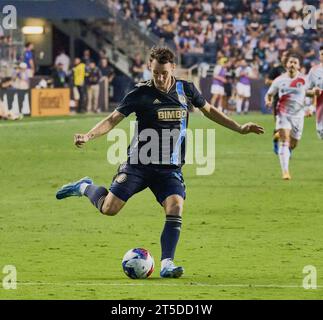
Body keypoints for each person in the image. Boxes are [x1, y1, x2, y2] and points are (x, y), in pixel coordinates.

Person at [56, 47, 264, 278]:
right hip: (139, 164)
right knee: (109, 209)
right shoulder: (139, 93)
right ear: (149, 68)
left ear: (173, 68)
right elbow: (113, 119)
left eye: (164, 73)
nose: (160, 78)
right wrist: (88, 135)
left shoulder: (186, 89)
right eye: (156, 73)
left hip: (169, 168)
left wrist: (239, 127)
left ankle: (167, 264)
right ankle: (84, 186)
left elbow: (210, 110)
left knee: (175, 205)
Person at [265, 53, 307, 180]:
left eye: (295, 62)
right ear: (286, 65)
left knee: (293, 144)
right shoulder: (279, 80)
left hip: (298, 116)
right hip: (283, 113)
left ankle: (280, 139)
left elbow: (311, 94)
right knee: (285, 140)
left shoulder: (305, 80)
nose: (292, 64)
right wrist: (268, 101)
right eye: (290, 62)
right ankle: (285, 172)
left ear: (299, 66)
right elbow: (269, 94)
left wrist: (310, 107)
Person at [265, 50, 288, 154]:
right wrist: (278, 81)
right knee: (280, 125)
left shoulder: (293, 69)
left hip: (291, 102)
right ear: (281, 57)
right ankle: (277, 141)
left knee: (290, 126)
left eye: (287, 56)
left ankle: (286, 147)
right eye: (284, 55)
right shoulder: (277, 69)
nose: (285, 57)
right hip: (278, 101)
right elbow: (267, 81)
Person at [306, 46, 323, 139]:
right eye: (322, 54)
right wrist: (313, 92)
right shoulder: (314, 71)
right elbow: (305, 90)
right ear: (319, 56)